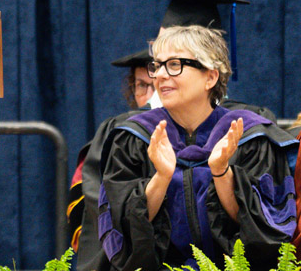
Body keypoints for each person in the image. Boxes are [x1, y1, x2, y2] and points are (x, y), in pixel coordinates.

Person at [97, 23, 296, 271]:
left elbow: (264, 235)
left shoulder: (249, 138)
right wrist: (161, 177)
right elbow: (122, 233)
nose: (160, 75)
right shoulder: (133, 139)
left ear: (210, 77)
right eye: (157, 65)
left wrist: (221, 172)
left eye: (174, 65)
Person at [66, 49, 154, 251]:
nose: (150, 96)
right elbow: (82, 217)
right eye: (142, 85)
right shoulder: (111, 140)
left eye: (157, 85)